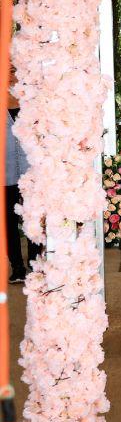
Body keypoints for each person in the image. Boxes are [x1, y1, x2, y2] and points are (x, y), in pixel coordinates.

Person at [6, 96, 29, 283]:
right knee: (8, 223)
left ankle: (35, 262)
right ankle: (17, 268)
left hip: (31, 171)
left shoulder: (28, 97)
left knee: (34, 217)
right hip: (5, 175)